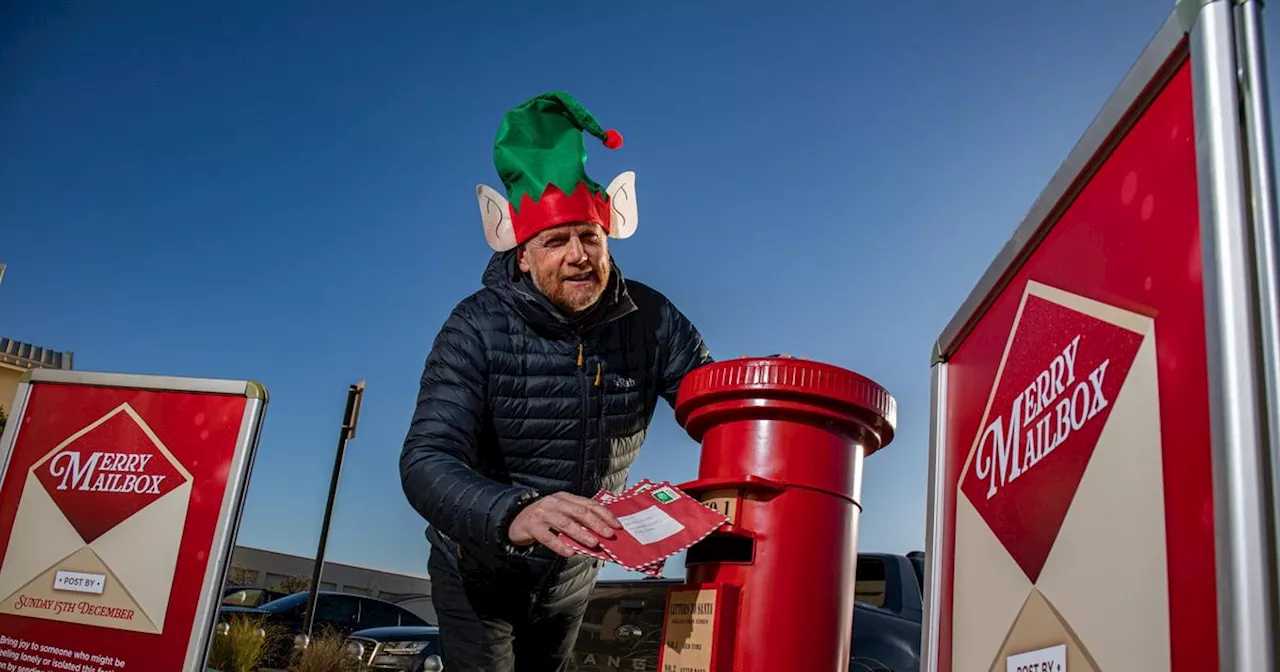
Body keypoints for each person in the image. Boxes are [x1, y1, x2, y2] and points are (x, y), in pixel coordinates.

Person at [399, 91, 713, 672]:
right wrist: (512, 512)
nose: (578, 256)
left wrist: (754, 400)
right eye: (556, 241)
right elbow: (426, 458)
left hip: (571, 576)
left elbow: (710, 407)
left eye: (590, 238)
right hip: (478, 569)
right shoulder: (474, 325)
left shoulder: (654, 318)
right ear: (523, 254)